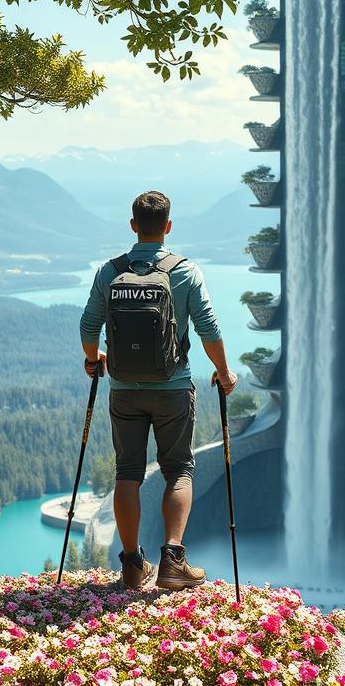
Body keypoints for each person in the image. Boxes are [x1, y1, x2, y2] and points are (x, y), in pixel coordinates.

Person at [80, 189, 238, 590]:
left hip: (123, 390)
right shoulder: (185, 271)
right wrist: (223, 372)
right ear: (168, 227)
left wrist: (93, 357)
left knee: (127, 471)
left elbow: (87, 326)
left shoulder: (110, 271)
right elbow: (210, 330)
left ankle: (132, 566)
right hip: (173, 389)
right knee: (179, 469)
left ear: (133, 226)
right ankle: (173, 561)